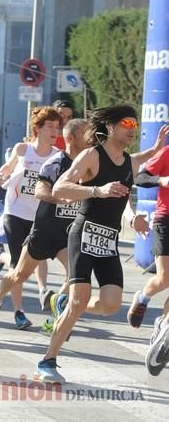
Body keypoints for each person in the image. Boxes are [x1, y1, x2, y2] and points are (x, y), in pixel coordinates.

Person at [34, 106, 169, 383]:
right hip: (84, 234)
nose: (132, 128)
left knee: (110, 305)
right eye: (126, 122)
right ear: (109, 126)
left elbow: (124, 202)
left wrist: (134, 220)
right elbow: (59, 187)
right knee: (79, 300)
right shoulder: (91, 155)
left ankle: (65, 302)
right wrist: (97, 190)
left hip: (108, 241)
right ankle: (48, 360)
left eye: (135, 123)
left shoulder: (128, 162)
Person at [0, 118, 88, 332]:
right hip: (39, 227)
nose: (92, 138)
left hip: (66, 233)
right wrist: (61, 198)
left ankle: (55, 316)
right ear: (72, 138)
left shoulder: (88, 164)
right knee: (18, 274)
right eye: (87, 133)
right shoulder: (55, 161)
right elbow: (40, 190)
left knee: (75, 273)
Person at [0, 106, 61, 329]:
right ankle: (19, 312)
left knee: (29, 262)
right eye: (50, 127)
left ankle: (0, 256)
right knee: (19, 269)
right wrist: (0, 176)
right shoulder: (23, 149)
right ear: (37, 129)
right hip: (15, 211)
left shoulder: (57, 156)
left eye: (57, 127)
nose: (54, 131)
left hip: (39, 216)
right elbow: (7, 168)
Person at [127, 142, 169, 376]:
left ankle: (164, 326)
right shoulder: (167, 153)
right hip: (166, 219)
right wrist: (161, 181)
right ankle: (142, 297)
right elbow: (141, 178)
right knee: (164, 278)